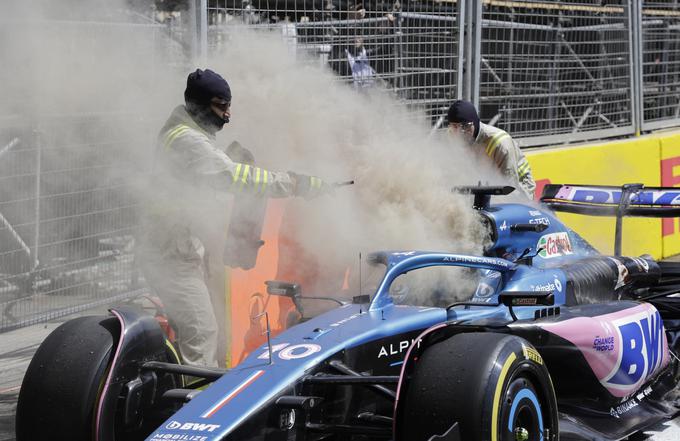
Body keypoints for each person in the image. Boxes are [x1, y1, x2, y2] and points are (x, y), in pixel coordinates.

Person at [138, 68, 332, 367]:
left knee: (199, 328)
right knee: (201, 332)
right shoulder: (189, 141)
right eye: (221, 105)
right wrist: (294, 183)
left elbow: (201, 180)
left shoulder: (186, 129)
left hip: (178, 250)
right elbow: (235, 177)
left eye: (229, 105)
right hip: (171, 258)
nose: (227, 115)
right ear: (199, 105)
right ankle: (196, 404)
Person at [447, 100, 536, 199]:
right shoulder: (451, 135)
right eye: (455, 126)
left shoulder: (501, 143)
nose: (460, 132)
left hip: (519, 186)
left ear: (475, 123)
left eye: (465, 126)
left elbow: (509, 187)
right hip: (484, 183)